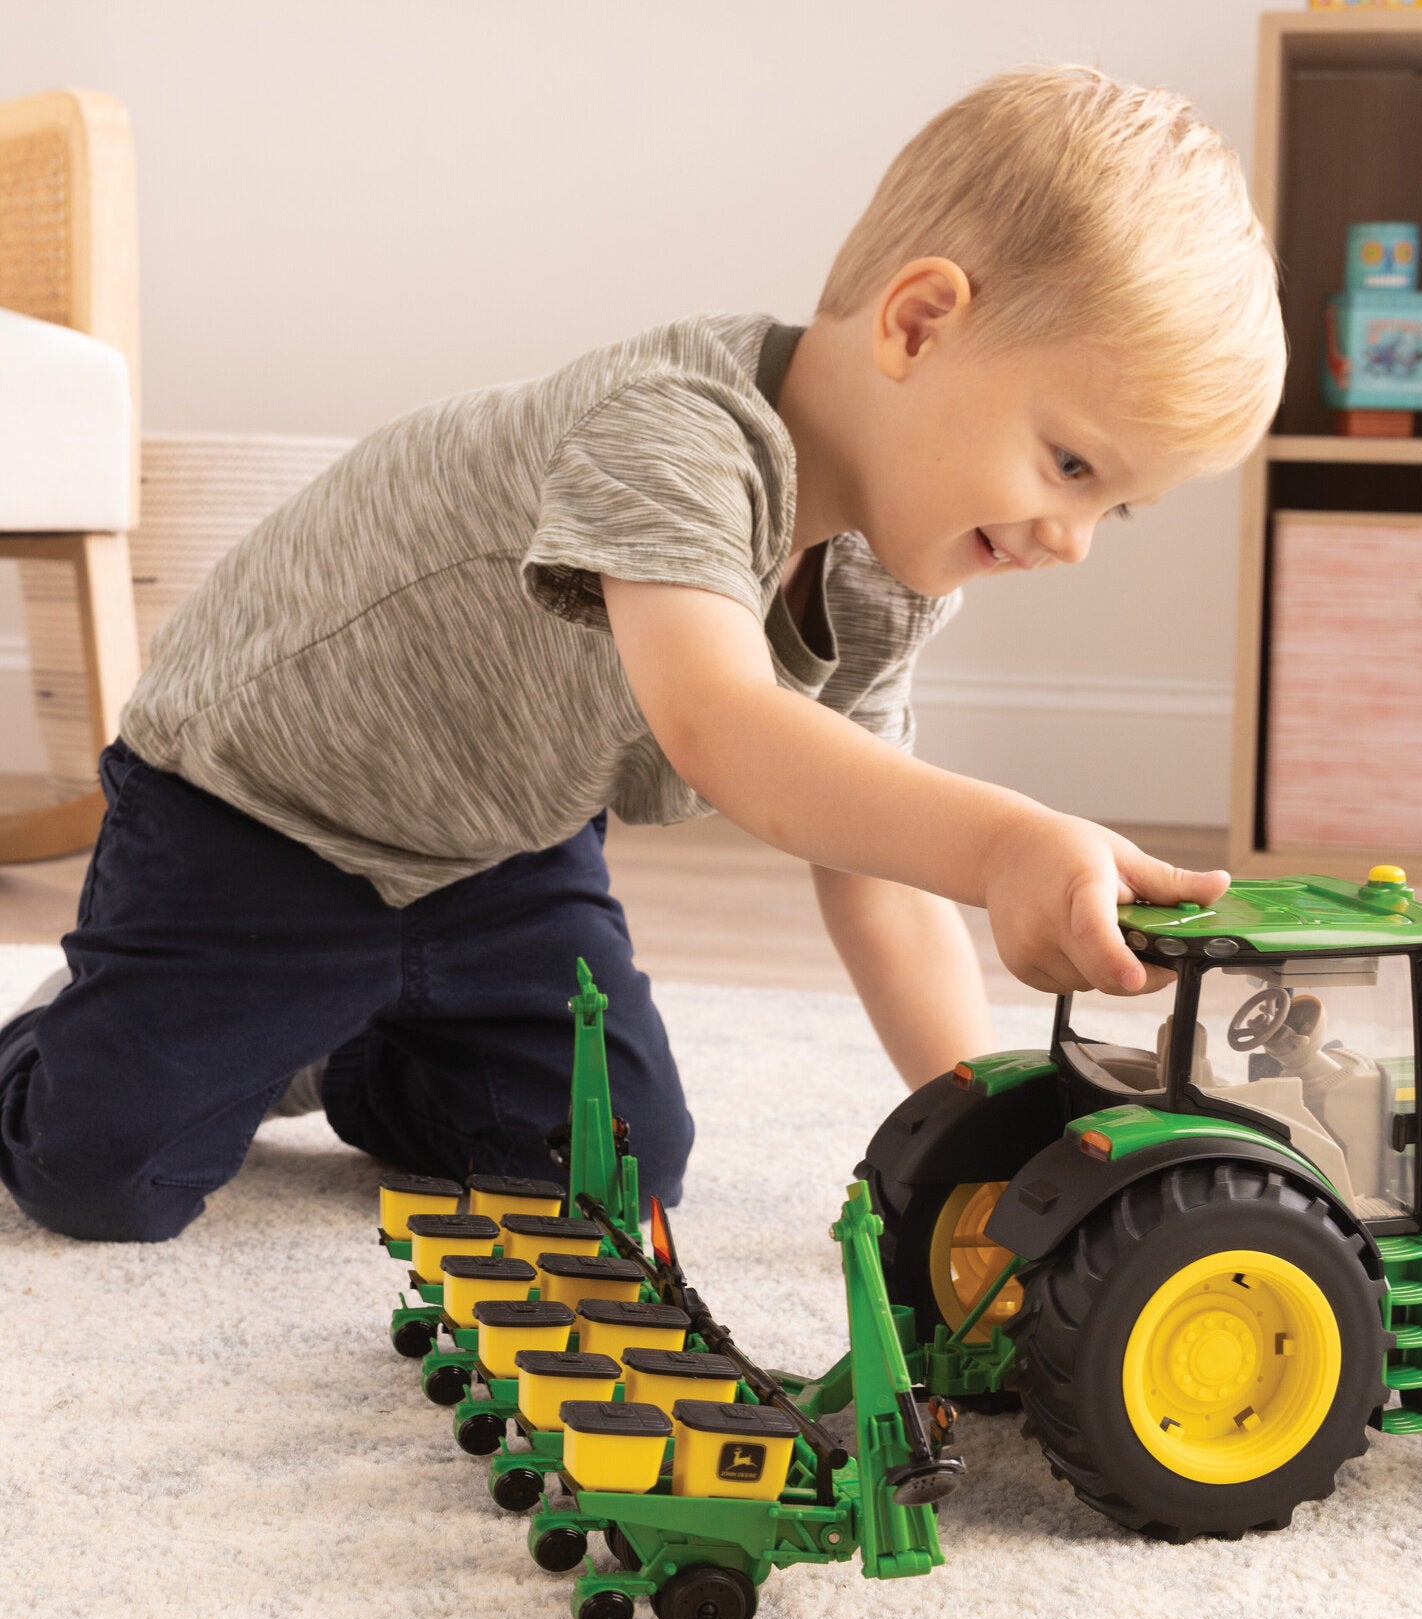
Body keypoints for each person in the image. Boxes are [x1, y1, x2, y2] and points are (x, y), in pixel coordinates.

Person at [0, 65, 1285, 1242]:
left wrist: (985, 1137)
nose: (1071, 541)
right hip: (260, 813)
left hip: (495, 843)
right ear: (917, 324)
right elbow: (722, 728)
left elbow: (877, 870)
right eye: (1069, 465)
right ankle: (82, 1029)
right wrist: (1005, 844)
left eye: (1115, 507)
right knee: (105, 1171)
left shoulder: (889, 575)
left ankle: (350, 1035)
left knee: (613, 1161)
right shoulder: (673, 431)